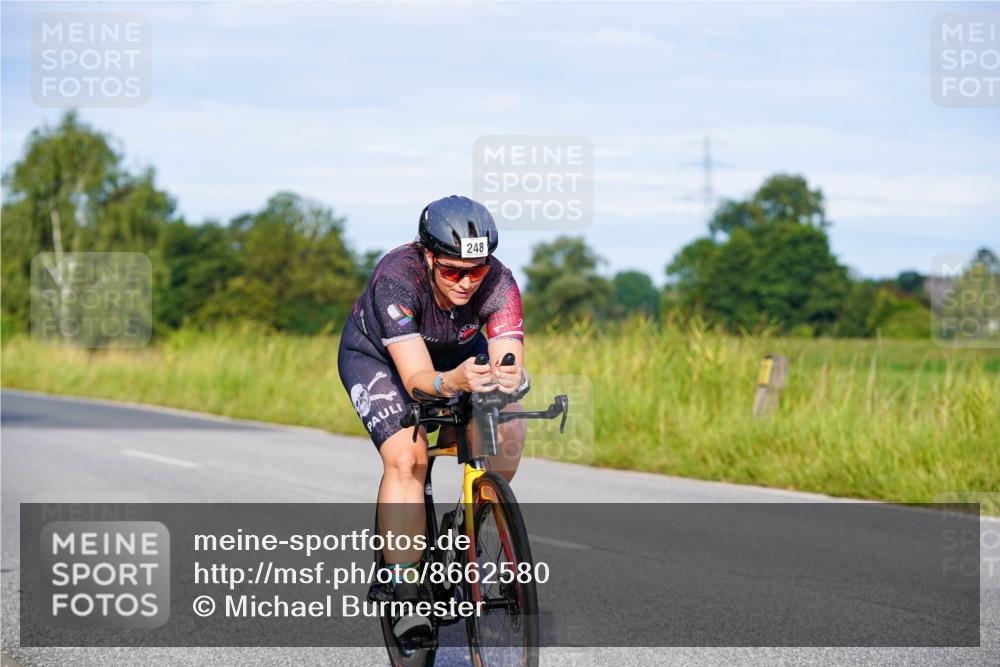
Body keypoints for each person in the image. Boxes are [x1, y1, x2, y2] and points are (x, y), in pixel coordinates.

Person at [337, 195, 529, 647]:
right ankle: (404, 589)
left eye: (475, 271)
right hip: (383, 359)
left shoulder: (499, 282)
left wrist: (509, 376)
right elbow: (419, 379)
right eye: (451, 271)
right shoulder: (396, 277)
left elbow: (509, 359)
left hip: (457, 353)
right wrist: (453, 382)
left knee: (511, 426)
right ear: (427, 256)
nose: (466, 282)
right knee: (408, 457)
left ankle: (478, 521)